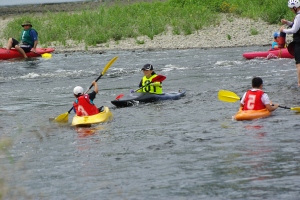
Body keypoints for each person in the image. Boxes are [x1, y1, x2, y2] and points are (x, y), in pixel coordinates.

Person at [280, 0, 300, 86]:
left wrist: (283, 30)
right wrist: (287, 22)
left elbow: (294, 29)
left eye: (291, 9)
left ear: (295, 7)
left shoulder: (298, 16)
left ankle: (299, 83)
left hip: (298, 42)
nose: (291, 10)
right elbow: (296, 25)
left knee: (298, 63)